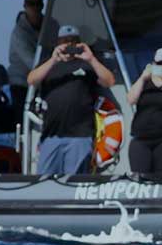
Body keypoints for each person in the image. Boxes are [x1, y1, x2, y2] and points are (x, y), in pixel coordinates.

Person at [26, 24, 115, 176]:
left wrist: (91, 59)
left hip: (79, 136)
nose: (68, 45)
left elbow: (109, 81)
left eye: (72, 41)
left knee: (75, 181)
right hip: (51, 136)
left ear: (79, 43)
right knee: (44, 180)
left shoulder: (87, 65)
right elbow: (32, 80)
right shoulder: (49, 64)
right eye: (64, 41)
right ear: (58, 43)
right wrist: (54, 59)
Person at [7, 0, 43, 126]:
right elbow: (31, 62)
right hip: (21, 84)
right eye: (31, 4)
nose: (35, 8)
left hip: (42, 83)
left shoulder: (48, 26)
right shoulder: (18, 33)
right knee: (22, 123)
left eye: (38, 4)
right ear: (25, 6)